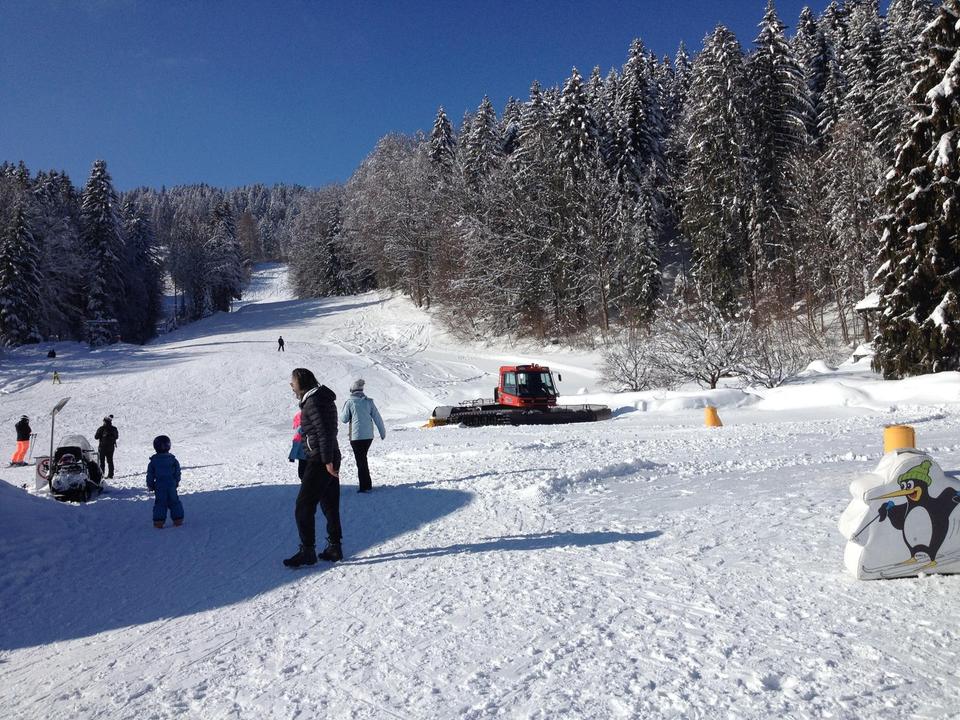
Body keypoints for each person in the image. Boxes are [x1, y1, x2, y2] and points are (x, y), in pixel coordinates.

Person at [284, 367, 342, 567]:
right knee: (329, 503)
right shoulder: (318, 398)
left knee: (303, 506)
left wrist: (327, 462)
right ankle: (334, 547)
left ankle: (308, 550)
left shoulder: (314, 401)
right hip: (327, 456)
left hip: (320, 460)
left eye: (293, 381)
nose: (291, 385)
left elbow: (324, 432)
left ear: (301, 382)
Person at [340, 378, 386, 493]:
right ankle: (366, 484)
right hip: (369, 437)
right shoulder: (369, 401)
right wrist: (382, 432)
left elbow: (343, 419)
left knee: (361, 461)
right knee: (362, 459)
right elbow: (377, 418)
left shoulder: (350, 402)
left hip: (356, 437)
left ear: (352, 390)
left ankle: (365, 486)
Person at [147, 435, 183, 528]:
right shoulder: (173, 460)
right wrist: (176, 482)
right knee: (174, 501)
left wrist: (150, 485)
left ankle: (159, 521)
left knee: (160, 503)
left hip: (160, 486)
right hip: (171, 484)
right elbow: (177, 472)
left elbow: (150, 474)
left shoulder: (153, 461)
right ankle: (178, 519)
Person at [94, 415, 119, 479]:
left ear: (104, 422)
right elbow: (117, 437)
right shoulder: (114, 428)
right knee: (110, 461)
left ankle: (102, 475)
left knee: (102, 462)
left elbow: (96, 437)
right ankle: (110, 475)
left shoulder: (101, 428)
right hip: (111, 447)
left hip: (102, 447)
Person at [288, 410, 308, 478]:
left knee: (302, 471)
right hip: (312, 454)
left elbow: (296, 442)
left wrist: (292, 456)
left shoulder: (300, 429)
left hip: (303, 455)